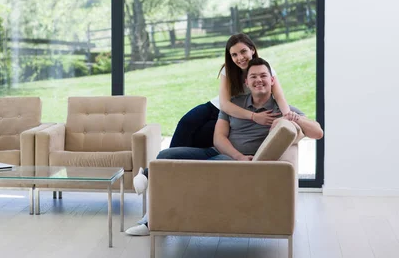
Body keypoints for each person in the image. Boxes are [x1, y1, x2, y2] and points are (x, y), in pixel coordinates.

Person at [125, 58, 323, 236]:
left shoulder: (282, 109)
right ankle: (153, 218)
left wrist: (294, 118)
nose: (259, 80)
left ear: (272, 80)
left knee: (179, 168)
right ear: (246, 82)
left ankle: (150, 219)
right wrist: (237, 155)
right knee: (165, 155)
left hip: (230, 162)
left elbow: (317, 132)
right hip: (219, 152)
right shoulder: (234, 104)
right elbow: (219, 138)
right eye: (253, 76)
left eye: (264, 75)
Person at [169, 33, 297, 150]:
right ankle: (160, 167)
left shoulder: (264, 69)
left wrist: (287, 115)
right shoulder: (228, 70)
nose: (240, 58)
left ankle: (175, 166)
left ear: (252, 50)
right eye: (234, 55)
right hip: (215, 107)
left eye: (243, 51)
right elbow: (224, 104)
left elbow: (279, 96)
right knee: (186, 122)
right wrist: (254, 116)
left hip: (233, 114)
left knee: (203, 134)